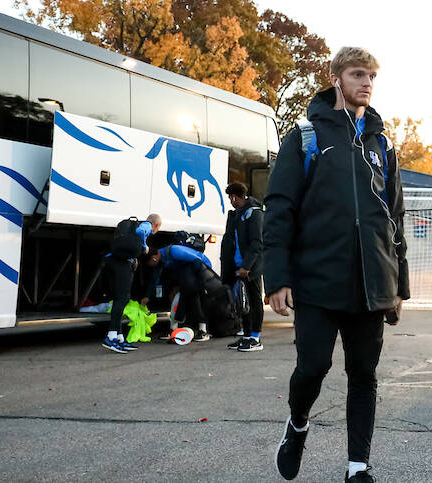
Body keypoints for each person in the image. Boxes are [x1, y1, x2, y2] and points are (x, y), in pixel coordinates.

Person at [266, 47, 408, 483]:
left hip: (371, 284)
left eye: (371, 76)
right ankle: (298, 424)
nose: (366, 82)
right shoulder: (306, 138)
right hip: (317, 282)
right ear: (336, 78)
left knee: (363, 376)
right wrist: (278, 277)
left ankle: (357, 467)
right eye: (357, 74)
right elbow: (280, 209)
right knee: (313, 368)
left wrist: (398, 285)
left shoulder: (381, 144)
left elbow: (396, 218)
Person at [102, 213, 160, 353]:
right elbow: (141, 232)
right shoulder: (145, 225)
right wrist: (144, 247)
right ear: (156, 225)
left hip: (114, 261)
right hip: (121, 265)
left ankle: (120, 337)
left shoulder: (131, 227)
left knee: (121, 299)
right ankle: (111, 337)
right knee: (121, 300)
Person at [222, 182, 265, 352]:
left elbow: (257, 242)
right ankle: (247, 335)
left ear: (236, 197)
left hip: (250, 267)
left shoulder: (254, 213)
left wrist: (247, 266)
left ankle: (256, 337)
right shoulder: (238, 214)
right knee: (243, 302)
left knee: (254, 301)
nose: (231, 202)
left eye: (232, 198)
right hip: (238, 265)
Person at [144, 243, 215, 341]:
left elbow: (197, 261)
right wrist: (147, 296)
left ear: (153, 258)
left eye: (150, 264)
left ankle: (203, 331)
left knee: (195, 300)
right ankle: (173, 330)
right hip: (185, 279)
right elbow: (154, 279)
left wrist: (202, 283)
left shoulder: (174, 251)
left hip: (200, 272)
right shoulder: (161, 260)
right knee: (176, 302)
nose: (151, 266)